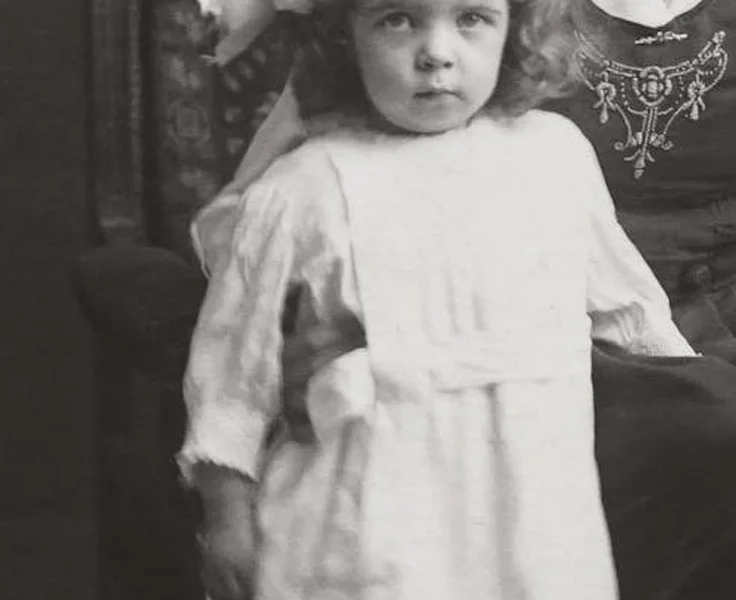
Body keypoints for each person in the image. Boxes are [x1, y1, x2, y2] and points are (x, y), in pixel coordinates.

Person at [193, 0, 736, 598]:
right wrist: (336, 314)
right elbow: (258, 217)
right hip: (527, 344)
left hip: (714, 321)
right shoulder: (447, 20)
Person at [177, 0, 700, 599]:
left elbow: (631, 314)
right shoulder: (302, 188)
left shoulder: (555, 157)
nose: (437, 53)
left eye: (473, 18)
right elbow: (231, 379)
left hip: (534, 510)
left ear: (516, 30)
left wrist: (709, 408)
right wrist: (225, 519)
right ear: (344, 39)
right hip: (369, 511)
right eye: (397, 20)